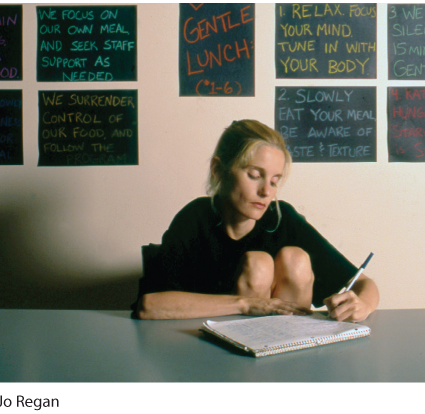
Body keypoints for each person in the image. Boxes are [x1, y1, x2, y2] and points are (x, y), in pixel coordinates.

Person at [134, 120, 379, 321]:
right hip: (215, 351)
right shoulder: (195, 218)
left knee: (296, 258)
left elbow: (366, 285)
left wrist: (362, 306)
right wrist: (245, 304)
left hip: (285, 349)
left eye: (274, 181)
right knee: (258, 264)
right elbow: (150, 305)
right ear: (219, 170)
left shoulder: (283, 218)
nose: (266, 192)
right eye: (254, 175)